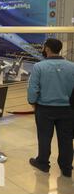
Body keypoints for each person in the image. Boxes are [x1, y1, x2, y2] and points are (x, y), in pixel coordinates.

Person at [27, 38, 74, 178]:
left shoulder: (39, 67)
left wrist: (32, 101)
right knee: (66, 139)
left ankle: (43, 163)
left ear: (47, 49)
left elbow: (33, 88)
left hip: (45, 108)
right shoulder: (72, 66)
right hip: (67, 109)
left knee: (44, 137)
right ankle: (66, 168)